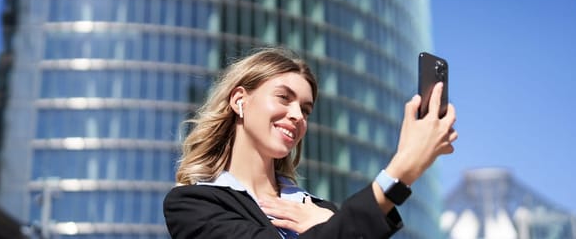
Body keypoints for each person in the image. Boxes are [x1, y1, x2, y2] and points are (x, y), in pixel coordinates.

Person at [163, 47, 457, 238]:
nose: (297, 116)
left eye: (305, 109)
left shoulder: (321, 210)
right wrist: (400, 171)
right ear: (240, 100)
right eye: (283, 98)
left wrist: (330, 221)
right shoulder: (193, 204)